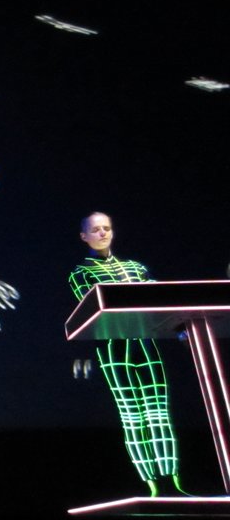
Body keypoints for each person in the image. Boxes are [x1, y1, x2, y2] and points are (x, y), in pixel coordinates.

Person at [68, 212, 186, 497]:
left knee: (158, 412)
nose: (102, 233)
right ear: (84, 236)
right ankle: (152, 485)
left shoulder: (136, 267)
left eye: (106, 228)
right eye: (95, 229)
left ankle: (173, 481)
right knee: (131, 414)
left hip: (144, 343)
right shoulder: (81, 272)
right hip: (113, 347)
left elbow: (158, 302)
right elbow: (92, 306)